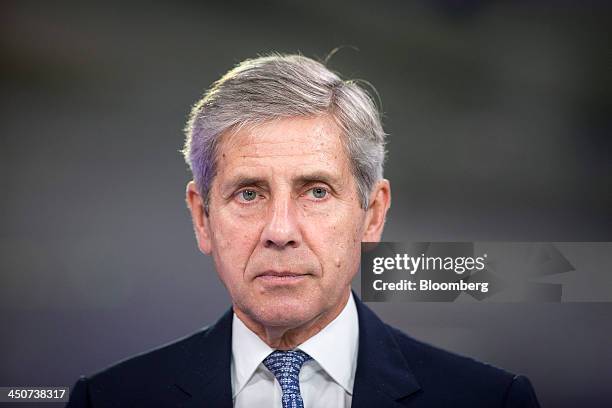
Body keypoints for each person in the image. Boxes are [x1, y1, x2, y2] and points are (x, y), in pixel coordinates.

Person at [66, 54, 540, 407]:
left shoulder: (490, 401)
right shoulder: (107, 400)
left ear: (372, 214)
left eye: (315, 192)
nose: (280, 231)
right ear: (202, 217)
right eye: (249, 193)